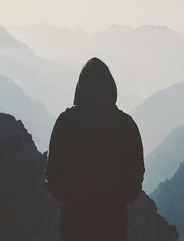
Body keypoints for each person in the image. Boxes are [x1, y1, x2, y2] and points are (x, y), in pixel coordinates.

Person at [45, 57, 145, 241]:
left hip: (74, 221)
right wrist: (120, 200)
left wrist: (69, 198)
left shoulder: (65, 123)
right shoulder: (125, 125)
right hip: (113, 222)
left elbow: (53, 175)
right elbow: (136, 173)